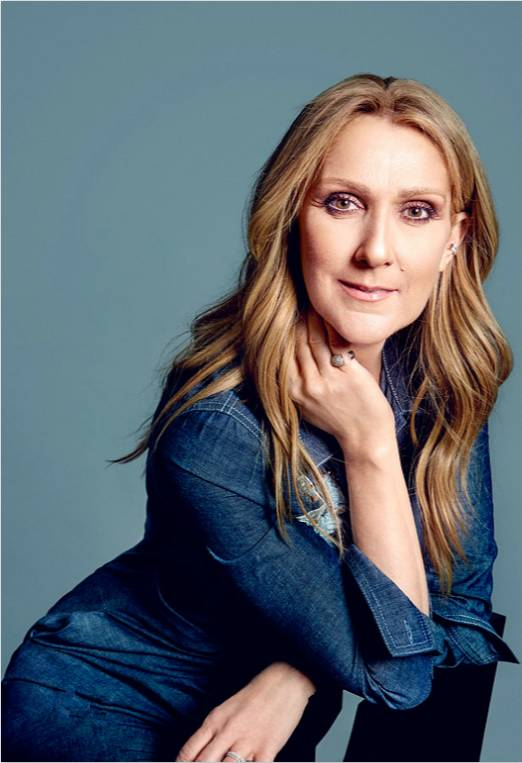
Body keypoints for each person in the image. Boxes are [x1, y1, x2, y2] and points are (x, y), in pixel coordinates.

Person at [2, 72, 519, 763]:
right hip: (104, 709)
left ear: (455, 237)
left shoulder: (440, 384)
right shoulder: (217, 427)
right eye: (342, 203)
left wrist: (295, 674)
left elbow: (459, 620)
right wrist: (369, 446)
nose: (376, 250)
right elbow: (398, 673)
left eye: (417, 211)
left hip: (259, 724)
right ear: (291, 217)